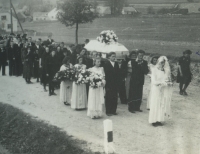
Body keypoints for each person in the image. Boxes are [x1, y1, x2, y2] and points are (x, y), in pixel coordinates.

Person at [149, 56, 173, 127]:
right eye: (161, 62)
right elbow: (154, 81)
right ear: (158, 62)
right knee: (155, 103)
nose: (162, 64)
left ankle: (159, 119)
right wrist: (162, 83)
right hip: (156, 89)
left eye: (164, 63)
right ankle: (153, 120)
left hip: (162, 89)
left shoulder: (165, 72)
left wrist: (168, 83)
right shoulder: (154, 70)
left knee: (161, 104)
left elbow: (166, 80)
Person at [104, 52, 120, 116]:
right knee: (108, 97)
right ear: (109, 57)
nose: (114, 58)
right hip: (109, 83)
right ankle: (108, 111)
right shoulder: (106, 64)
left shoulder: (116, 64)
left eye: (114, 56)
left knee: (114, 97)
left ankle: (113, 110)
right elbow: (106, 74)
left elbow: (118, 73)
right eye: (112, 56)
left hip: (115, 83)